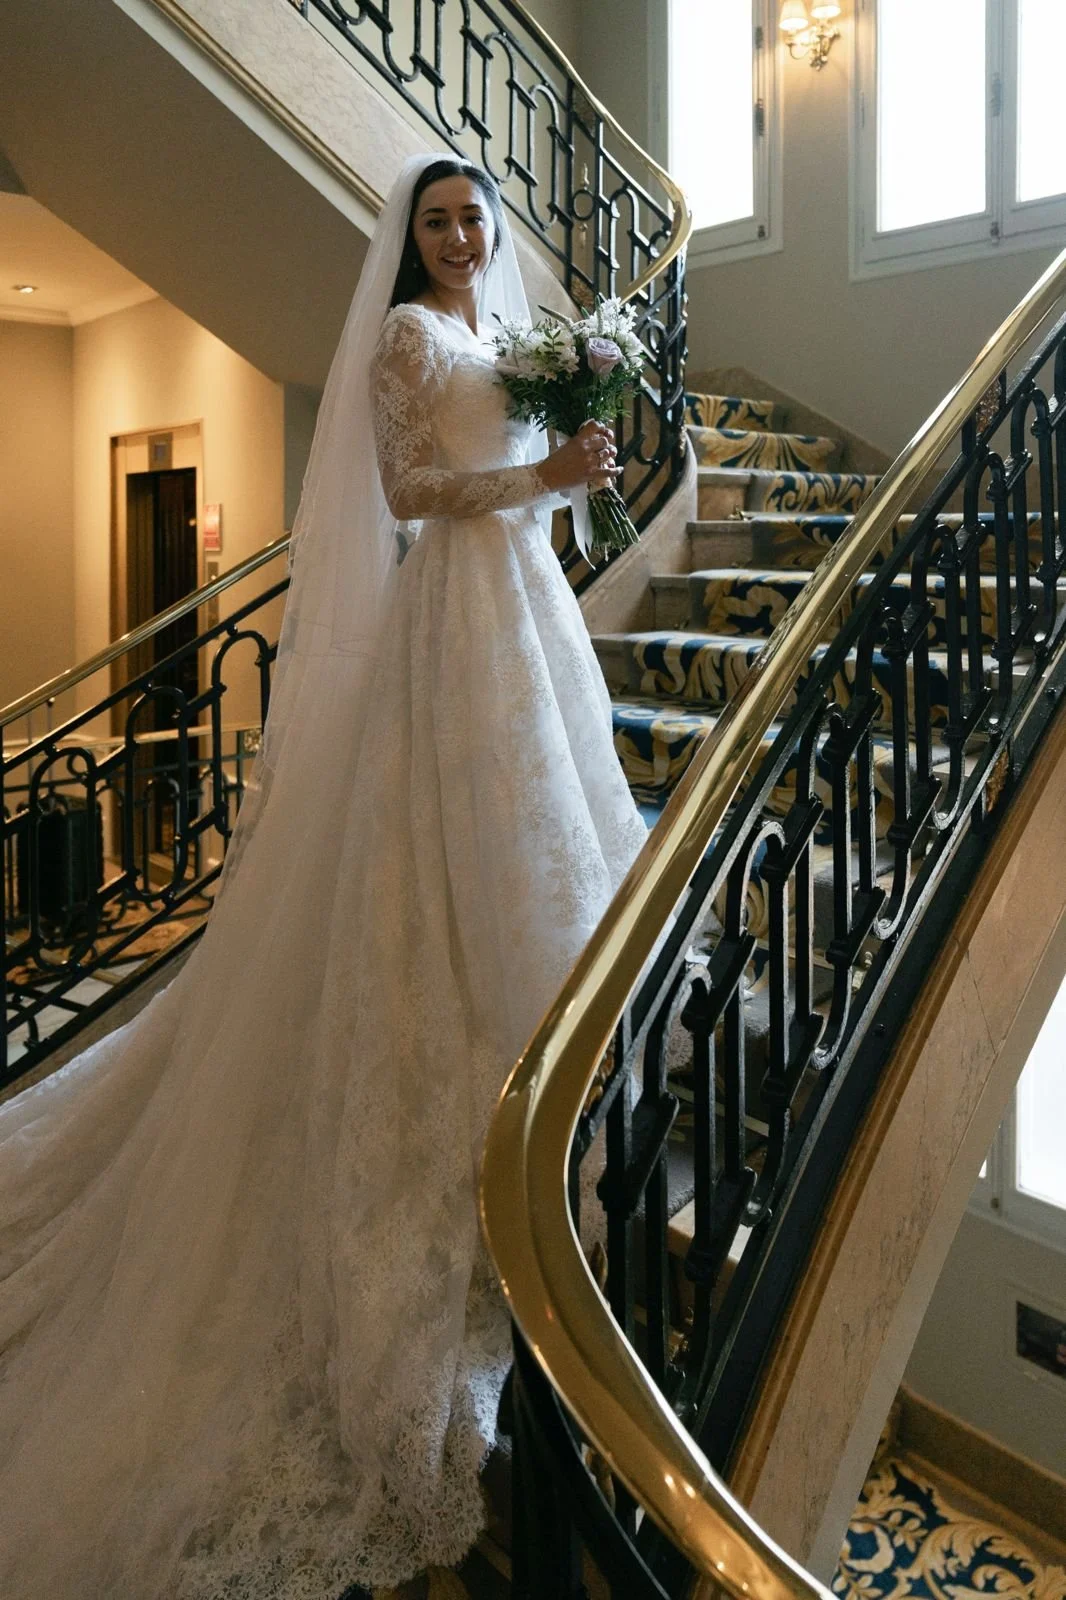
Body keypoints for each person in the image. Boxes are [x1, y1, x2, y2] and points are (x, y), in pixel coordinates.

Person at [0, 153, 649, 1597]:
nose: (463, 235)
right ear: (408, 244)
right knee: (440, 852)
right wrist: (532, 476)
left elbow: (521, 483)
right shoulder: (412, 336)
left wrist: (571, 473)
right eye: (437, 220)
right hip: (455, 623)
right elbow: (409, 489)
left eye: (474, 216)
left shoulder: (505, 336)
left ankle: (549, 1036)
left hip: (526, 607)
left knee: (546, 824)